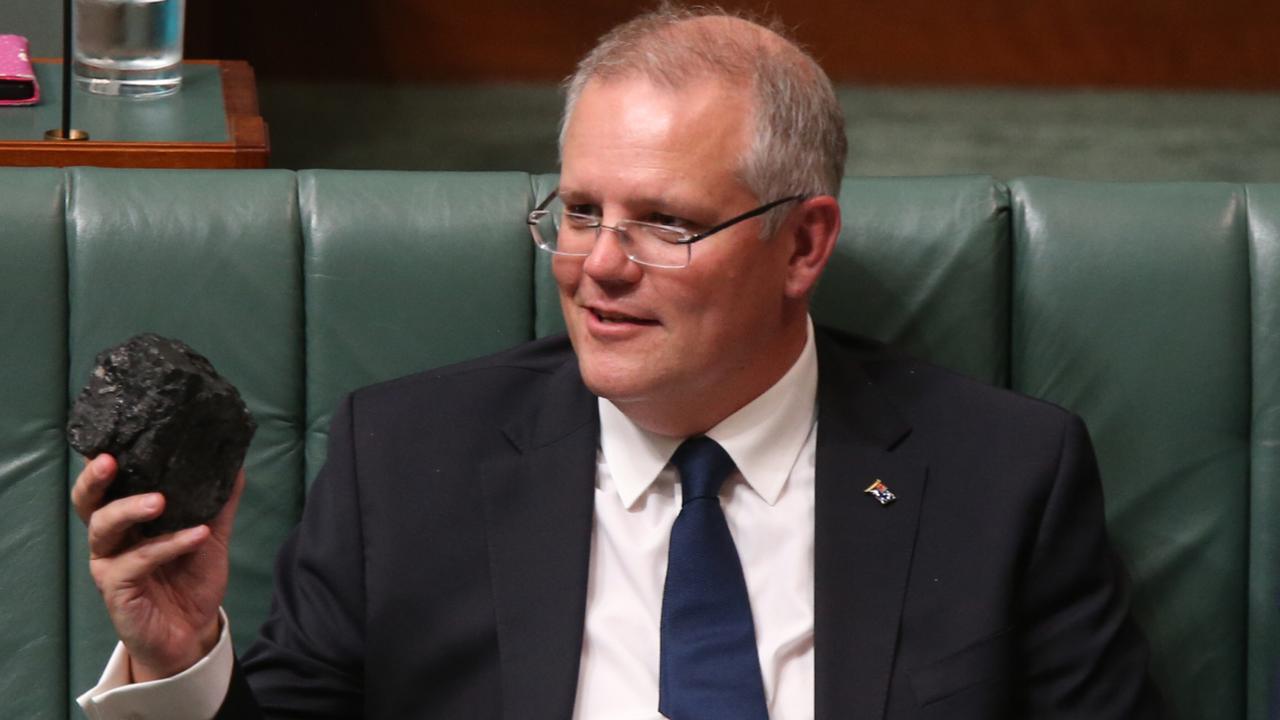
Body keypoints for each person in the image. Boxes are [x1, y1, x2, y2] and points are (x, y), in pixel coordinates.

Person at [73, 6, 1164, 719]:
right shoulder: (403, 461)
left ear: (803, 244)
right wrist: (179, 666)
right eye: (580, 211)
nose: (598, 265)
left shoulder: (1001, 477)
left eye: (664, 224)